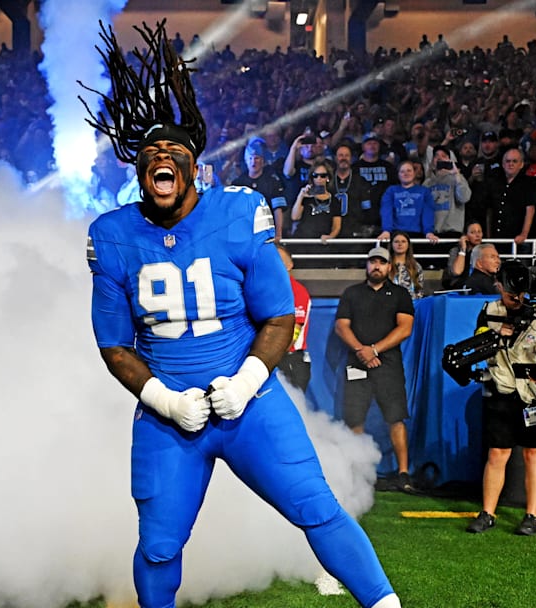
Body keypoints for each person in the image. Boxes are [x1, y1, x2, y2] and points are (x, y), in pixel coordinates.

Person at [81, 23, 401, 608]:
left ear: (192, 159)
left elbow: (278, 317)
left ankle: (385, 605)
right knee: (158, 544)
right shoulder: (113, 233)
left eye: (170, 150)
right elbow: (114, 345)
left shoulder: (239, 211)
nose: (159, 158)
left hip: (249, 401)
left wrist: (249, 379)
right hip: (169, 416)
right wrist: (164, 400)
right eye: (148, 153)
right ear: (137, 167)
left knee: (316, 507)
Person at [466, 265, 536, 536]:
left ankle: (532, 516)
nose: (515, 296)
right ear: (499, 286)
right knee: (497, 452)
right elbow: (478, 341)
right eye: (509, 290)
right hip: (503, 388)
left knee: (534, 453)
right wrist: (498, 336)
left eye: (519, 291)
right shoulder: (489, 310)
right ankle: (487, 513)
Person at [334, 246, 415, 491]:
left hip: (388, 365)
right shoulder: (352, 293)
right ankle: (358, 473)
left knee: (396, 418)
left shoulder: (400, 294)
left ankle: (403, 474)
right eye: (372, 262)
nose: (376, 266)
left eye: (382, 262)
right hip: (357, 363)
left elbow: (405, 328)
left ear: (390, 266)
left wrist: (375, 350)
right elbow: (341, 326)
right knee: (354, 418)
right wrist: (362, 351)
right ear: (366, 265)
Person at [231, 137, 289, 236]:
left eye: (257, 158)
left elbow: (278, 210)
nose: (253, 161)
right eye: (250, 158)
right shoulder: (238, 183)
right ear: (246, 161)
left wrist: (278, 234)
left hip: (266, 230)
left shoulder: (273, 182)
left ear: (262, 161)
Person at [276, 244, 312, 393]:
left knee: (292, 408)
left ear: (289, 265)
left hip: (291, 360)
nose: (274, 264)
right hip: (272, 357)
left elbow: (293, 332)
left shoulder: (297, 291)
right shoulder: (264, 289)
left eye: (279, 260)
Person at [377, 161, 437, 244]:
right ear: (398, 175)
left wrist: (428, 231)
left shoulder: (424, 191)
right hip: (396, 234)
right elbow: (386, 211)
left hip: (417, 234)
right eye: (402, 171)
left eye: (409, 170)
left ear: (414, 173)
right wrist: (386, 230)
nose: (406, 173)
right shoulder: (391, 191)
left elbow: (428, 212)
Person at [291, 161, 342, 244]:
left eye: (323, 176)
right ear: (312, 178)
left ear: (327, 178)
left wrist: (331, 236)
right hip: (304, 241)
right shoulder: (306, 197)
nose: (319, 178)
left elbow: (337, 226)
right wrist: (300, 196)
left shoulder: (334, 200)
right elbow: (295, 217)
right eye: (315, 175)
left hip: (323, 242)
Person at [442, 221, 483, 290]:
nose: (477, 235)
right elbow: (456, 272)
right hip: (459, 285)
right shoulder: (455, 250)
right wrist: (463, 249)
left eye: (479, 232)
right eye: (473, 232)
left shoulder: (486, 250)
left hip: (479, 285)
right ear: (465, 236)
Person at [387, 232, 424, 300]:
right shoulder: (385, 265)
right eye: (396, 241)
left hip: (411, 305)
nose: (400, 244)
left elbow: (419, 291)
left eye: (403, 241)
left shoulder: (416, 266)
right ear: (391, 244)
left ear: (408, 245)